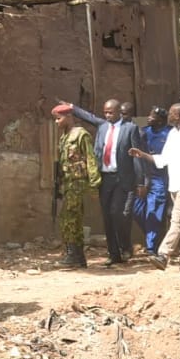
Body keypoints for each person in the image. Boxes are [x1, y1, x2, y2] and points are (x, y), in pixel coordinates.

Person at [130, 102, 180, 271]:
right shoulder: (173, 133)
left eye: (172, 113)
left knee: (177, 218)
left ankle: (163, 254)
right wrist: (143, 154)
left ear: (179, 115)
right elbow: (163, 159)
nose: (169, 116)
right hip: (176, 183)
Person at [67, 98, 141, 266]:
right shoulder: (102, 127)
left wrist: (141, 181)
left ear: (118, 112)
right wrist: (72, 107)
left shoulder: (130, 129)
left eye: (111, 112)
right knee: (107, 216)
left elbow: (137, 157)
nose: (107, 115)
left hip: (122, 178)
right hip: (105, 178)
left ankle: (125, 246)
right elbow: (88, 117)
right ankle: (114, 254)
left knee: (118, 213)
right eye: (105, 112)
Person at [51, 103, 100, 268]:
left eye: (59, 119)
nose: (56, 122)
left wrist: (94, 184)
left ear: (69, 117)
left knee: (71, 218)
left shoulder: (80, 135)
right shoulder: (64, 137)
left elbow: (90, 159)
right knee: (69, 218)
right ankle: (76, 255)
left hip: (77, 184)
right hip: (68, 184)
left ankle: (74, 255)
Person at [132, 106, 171, 254]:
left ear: (161, 120)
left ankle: (151, 247)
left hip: (161, 178)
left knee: (154, 211)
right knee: (136, 209)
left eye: (152, 116)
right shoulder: (144, 132)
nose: (149, 118)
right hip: (143, 177)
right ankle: (155, 235)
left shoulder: (169, 134)